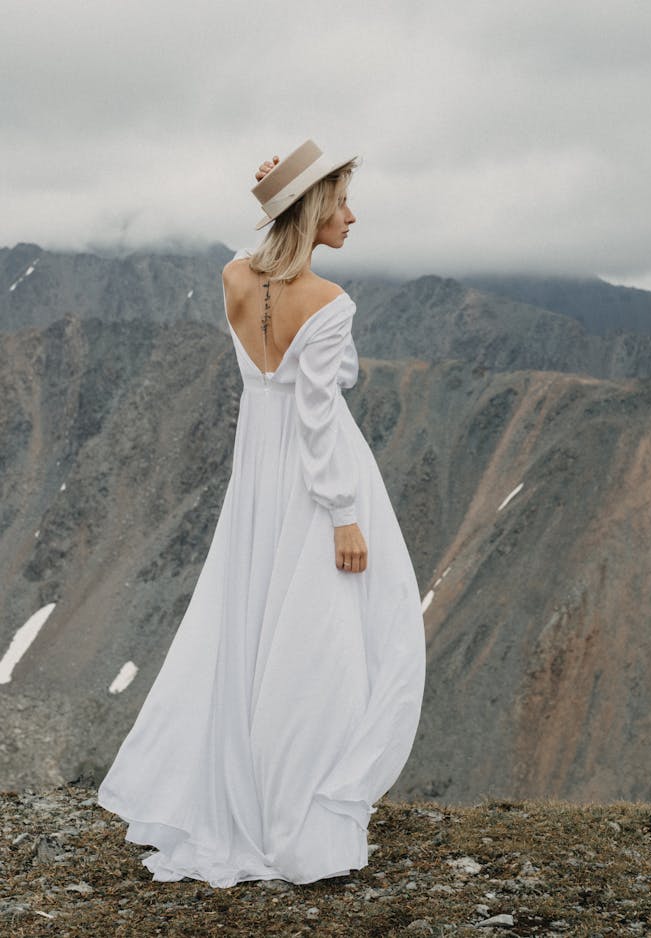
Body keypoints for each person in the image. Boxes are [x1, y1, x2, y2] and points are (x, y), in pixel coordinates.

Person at [97, 139, 426, 888]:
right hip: (318, 476)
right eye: (339, 201)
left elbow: (277, 377)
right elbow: (319, 409)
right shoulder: (330, 302)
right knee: (326, 643)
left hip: (258, 473)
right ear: (311, 210)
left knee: (252, 629)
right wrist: (343, 512)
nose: (351, 215)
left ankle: (247, 795)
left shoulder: (232, 278)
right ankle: (297, 815)